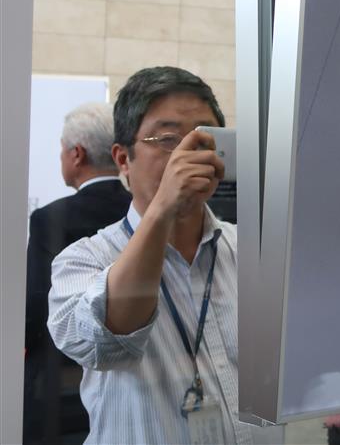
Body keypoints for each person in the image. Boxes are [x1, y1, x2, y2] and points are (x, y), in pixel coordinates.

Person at [47, 67, 248, 444]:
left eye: (203, 138)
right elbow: (105, 344)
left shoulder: (251, 251)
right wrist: (163, 207)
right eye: (168, 138)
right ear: (123, 160)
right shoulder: (84, 259)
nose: (189, 153)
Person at [24, 102, 131, 443]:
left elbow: (37, 303)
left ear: (76, 154)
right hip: (128, 383)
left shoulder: (49, 219)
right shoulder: (139, 211)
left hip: (61, 388)